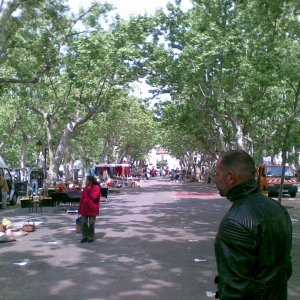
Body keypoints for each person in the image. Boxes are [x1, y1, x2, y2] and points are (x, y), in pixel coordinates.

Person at [214, 150, 292, 300]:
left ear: (230, 177)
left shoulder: (235, 222)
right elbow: (286, 268)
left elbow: (235, 290)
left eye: (217, 174)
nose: (215, 179)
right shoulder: (278, 209)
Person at [78, 176, 101, 243]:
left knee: (91, 224)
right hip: (84, 208)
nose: (86, 181)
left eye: (87, 180)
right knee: (83, 223)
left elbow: (95, 197)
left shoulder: (96, 188)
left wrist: (89, 190)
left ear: (91, 181)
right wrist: (79, 208)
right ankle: (85, 236)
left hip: (92, 208)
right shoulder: (85, 188)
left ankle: (90, 237)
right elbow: (82, 199)